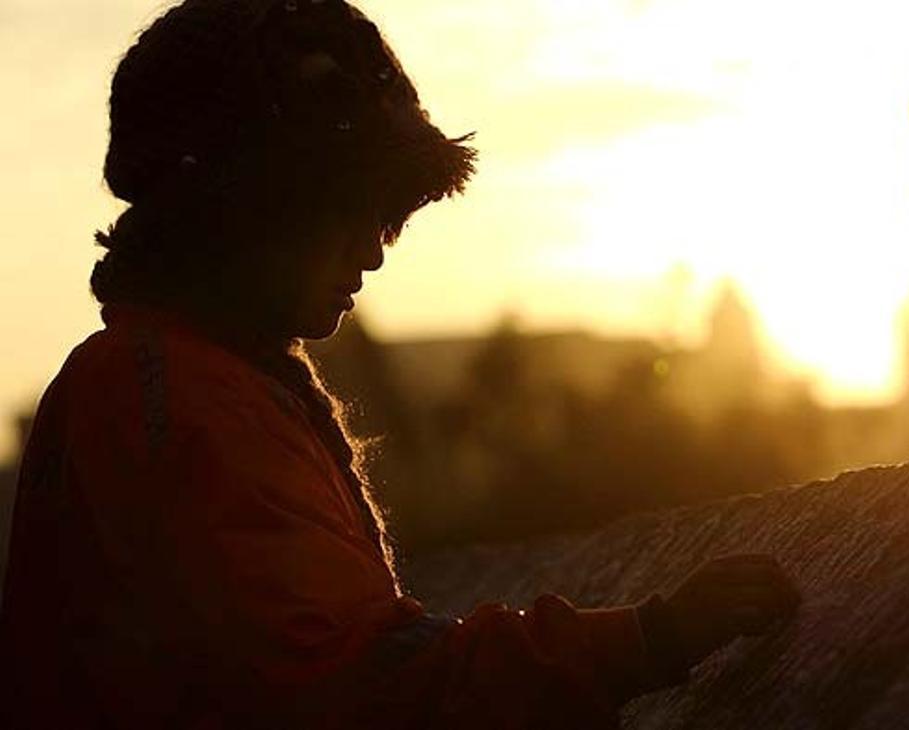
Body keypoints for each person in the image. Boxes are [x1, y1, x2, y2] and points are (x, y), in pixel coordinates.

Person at [0, 0, 800, 726]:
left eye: (391, 219)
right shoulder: (179, 402)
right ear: (246, 204)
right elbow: (355, 685)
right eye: (353, 210)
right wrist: (648, 637)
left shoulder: (161, 380)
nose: (375, 254)